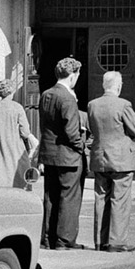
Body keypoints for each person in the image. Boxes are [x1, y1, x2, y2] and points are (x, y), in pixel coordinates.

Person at [86, 70, 135, 253]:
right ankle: (116, 241)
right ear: (118, 86)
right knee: (120, 199)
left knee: (101, 197)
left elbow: (92, 128)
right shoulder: (123, 105)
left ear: (104, 85)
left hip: (100, 157)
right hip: (121, 159)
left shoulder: (92, 105)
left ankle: (100, 241)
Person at [39, 57, 88, 250]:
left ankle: (48, 238)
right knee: (69, 198)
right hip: (68, 155)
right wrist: (81, 146)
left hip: (49, 154)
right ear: (73, 75)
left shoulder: (46, 94)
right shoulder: (67, 98)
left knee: (50, 196)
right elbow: (71, 131)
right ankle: (64, 240)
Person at [0, 78, 39, 188]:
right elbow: (25, 132)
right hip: (14, 151)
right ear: (12, 90)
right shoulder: (17, 108)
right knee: (18, 182)